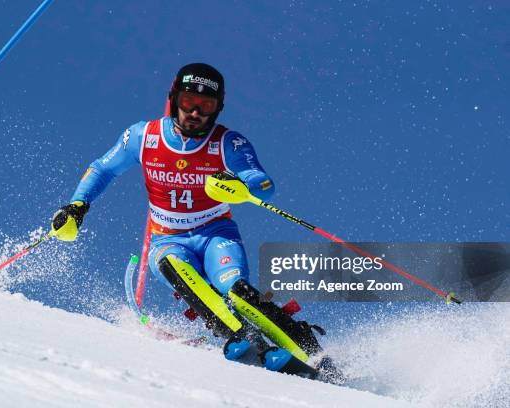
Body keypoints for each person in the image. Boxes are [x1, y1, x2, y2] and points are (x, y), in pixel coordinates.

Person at [51, 63, 331, 378]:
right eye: (188, 102)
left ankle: (313, 353)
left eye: (206, 106)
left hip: (216, 234)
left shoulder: (228, 143)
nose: (195, 112)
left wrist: (243, 186)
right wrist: (77, 205)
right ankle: (243, 338)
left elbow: (264, 183)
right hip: (167, 239)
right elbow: (103, 168)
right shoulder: (144, 136)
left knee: (236, 290)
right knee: (175, 266)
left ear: (217, 109)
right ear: (174, 99)